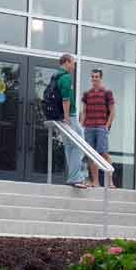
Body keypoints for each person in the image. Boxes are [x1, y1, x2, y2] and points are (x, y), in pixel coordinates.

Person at [80, 69, 116, 188]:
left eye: (96, 76)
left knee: (103, 154)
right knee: (91, 155)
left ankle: (110, 181)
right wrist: (81, 125)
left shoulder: (107, 92)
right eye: (92, 77)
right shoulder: (87, 94)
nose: (94, 78)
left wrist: (107, 126)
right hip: (89, 127)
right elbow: (84, 111)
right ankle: (95, 181)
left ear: (100, 78)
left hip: (101, 127)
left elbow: (112, 112)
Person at [57, 54, 87, 189]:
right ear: (67, 62)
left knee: (70, 146)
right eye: (73, 63)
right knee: (77, 145)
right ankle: (76, 177)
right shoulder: (66, 78)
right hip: (70, 116)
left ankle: (74, 175)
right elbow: (65, 99)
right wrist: (67, 116)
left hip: (62, 116)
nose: (74, 67)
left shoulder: (56, 76)